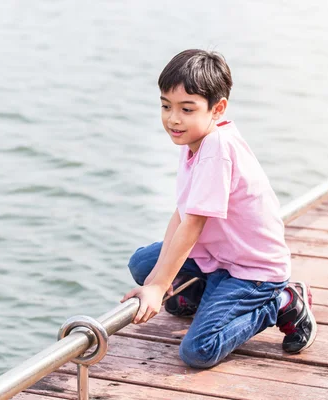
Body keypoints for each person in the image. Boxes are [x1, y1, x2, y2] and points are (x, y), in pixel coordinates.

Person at [120, 49, 317, 369]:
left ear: (218, 108)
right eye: (165, 105)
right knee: (143, 264)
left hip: (253, 271)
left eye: (187, 108)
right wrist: (154, 281)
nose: (173, 118)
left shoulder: (217, 148)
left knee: (198, 350)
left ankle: (281, 303)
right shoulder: (195, 141)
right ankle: (200, 294)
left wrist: (159, 288)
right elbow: (181, 214)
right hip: (219, 258)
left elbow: (193, 225)